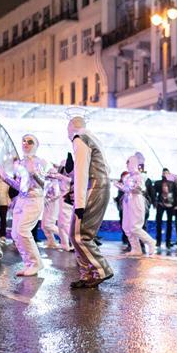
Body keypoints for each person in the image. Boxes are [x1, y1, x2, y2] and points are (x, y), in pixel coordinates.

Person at [67, 117, 113, 288]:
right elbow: (107, 169)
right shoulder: (94, 139)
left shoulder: (79, 139)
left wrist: (79, 203)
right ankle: (87, 273)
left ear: (70, 128)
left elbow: (81, 173)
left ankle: (101, 270)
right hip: (100, 187)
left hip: (92, 187)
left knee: (80, 235)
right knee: (76, 234)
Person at [0, 134, 48, 276]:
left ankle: (36, 263)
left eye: (30, 141)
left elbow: (45, 184)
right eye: (24, 141)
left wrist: (35, 174)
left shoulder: (40, 162)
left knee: (22, 230)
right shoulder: (20, 163)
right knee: (15, 234)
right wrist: (5, 178)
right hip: (21, 200)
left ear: (36, 145)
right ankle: (29, 264)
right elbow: (20, 186)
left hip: (34, 200)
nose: (26, 144)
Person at [116, 154, 156, 255]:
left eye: (128, 162)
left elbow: (140, 189)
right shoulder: (128, 177)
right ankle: (136, 248)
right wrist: (122, 187)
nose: (127, 165)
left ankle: (150, 242)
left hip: (136, 201)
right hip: (128, 201)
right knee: (126, 227)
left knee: (135, 226)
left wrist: (125, 188)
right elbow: (128, 188)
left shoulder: (140, 176)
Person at [153, 168, 177, 249]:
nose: (165, 175)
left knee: (169, 223)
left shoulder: (173, 183)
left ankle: (168, 241)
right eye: (164, 173)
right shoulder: (158, 183)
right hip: (160, 204)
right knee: (158, 223)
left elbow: (176, 194)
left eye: (167, 173)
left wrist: (175, 206)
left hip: (170, 205)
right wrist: (154, 202)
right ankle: (158, 241)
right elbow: (153, 193)